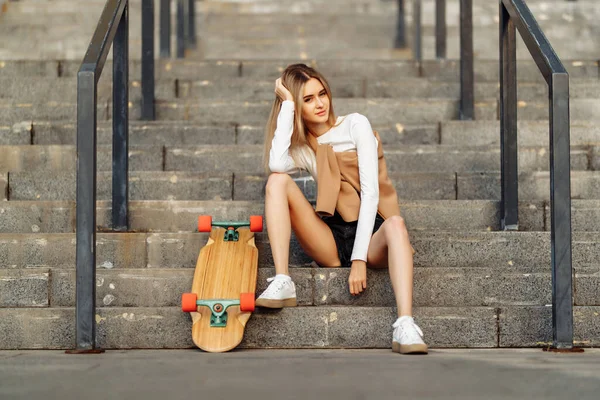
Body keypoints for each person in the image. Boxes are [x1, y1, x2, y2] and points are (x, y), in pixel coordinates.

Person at [255, 63, 428, 355]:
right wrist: (286, 106)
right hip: (331, 237)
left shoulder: (355, 124)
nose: (320, 103)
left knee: (397, 224)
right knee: (276, 181)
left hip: (372, 231)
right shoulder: (305, 147)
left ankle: (405, 324)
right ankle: (283, 279)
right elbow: (276, 164)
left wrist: (359, 260)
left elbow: (371, 193)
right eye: (307, 99)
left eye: (321, 93)